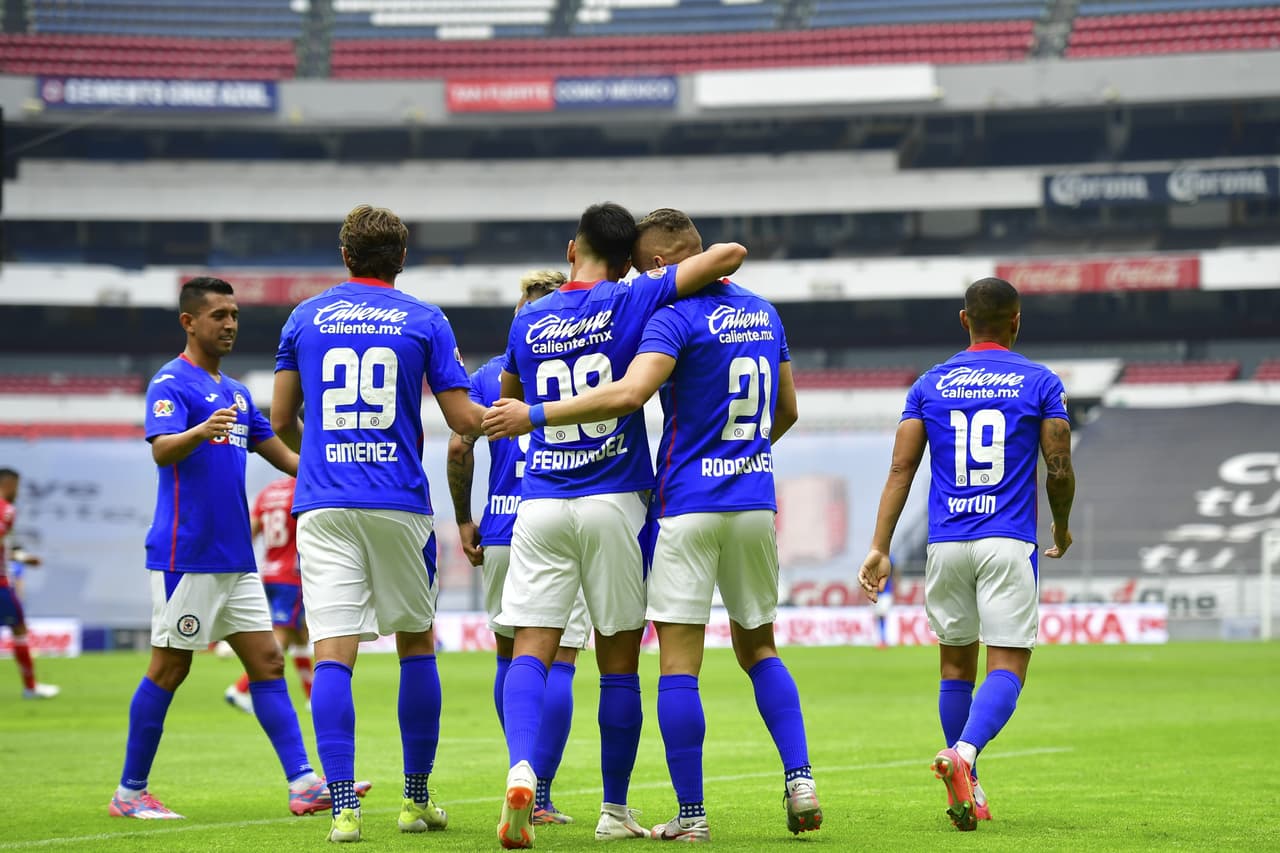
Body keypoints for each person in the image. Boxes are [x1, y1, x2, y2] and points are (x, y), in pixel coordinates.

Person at [484, 208, 820, 842]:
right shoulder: (734, 310)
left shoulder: (542, 315)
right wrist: (744, 455)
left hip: (589, 499)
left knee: (558, 652)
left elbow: (530, 386)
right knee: (738, 651)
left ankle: (541, 773)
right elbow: (787, 407)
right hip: (711, 497)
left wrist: (531, 414)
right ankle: (776, 782)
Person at [272, 204, 485, 843]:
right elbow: (461, 420)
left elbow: (281, 419)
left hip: (324, 502)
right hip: (398, 501)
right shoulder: (425, 318)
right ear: (401, 259)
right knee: (415, 643)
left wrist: (322, 457)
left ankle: (342, 808)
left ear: (345, 257)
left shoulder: (304, 317)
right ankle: (415, 800)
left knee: (332, 653)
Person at [112, 277, 362, 821]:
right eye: (219, 315)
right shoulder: (170, 384)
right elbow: (162, 453)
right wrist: (200, 430)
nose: (229, 324)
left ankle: (302, 784)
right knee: (169, 669)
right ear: (189, 322)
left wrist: (332, 473)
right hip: (187, 555)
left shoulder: (237, 392)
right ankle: (130, 793)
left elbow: (281, 455)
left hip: (235, 559)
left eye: (234, 315)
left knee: (269, 662)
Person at [856, 277, 1075, 831]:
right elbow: (1059, 465)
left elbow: (901, 469)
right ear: (1017, 321)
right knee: (1009, 666)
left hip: (946, 542)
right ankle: (967, 755)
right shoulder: (1041, 381)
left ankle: (965, 779)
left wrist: (880, 546)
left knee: (955, 666)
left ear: (963, 320)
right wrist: (1063, 526)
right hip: (1006, 541)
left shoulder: (929, 384)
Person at [446, 269, 591, 827]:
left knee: (512, 658)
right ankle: (542, 792)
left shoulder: (486, 377)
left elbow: (460, 449)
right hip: (558, 524)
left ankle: (517, 768)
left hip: (501, 528)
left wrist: (463, 520)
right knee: (562, 661)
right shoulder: (579, 367)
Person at [225, 476, 313, 714]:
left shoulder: (268, 491)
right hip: (292, 575)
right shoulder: (306, 488)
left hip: (270, 572)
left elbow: (250, 533)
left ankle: (312, 697)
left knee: (300, 634)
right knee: (282, 634)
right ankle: (241, 688)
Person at [0, 468, 58, 699]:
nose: (18, 492)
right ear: (10, 483)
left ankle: (31, 687)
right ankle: (30, 687)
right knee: (19, 630)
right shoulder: (6, 510)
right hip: (1, 584)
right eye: (17, 486)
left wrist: (22, 557)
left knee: (19, 629)